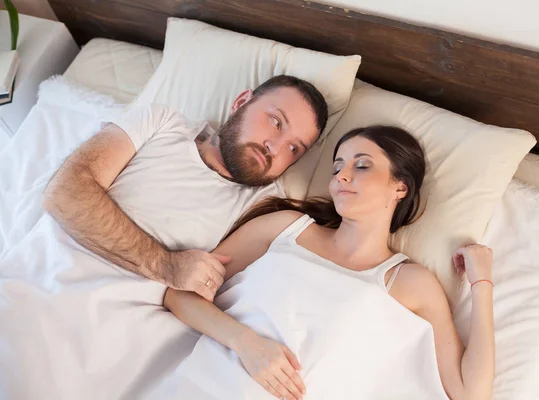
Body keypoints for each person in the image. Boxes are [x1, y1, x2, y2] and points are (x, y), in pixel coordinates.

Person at [161, 126, 495, 400]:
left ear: (400, 187)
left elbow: (468, 393)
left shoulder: (409, 283)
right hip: (200, 386)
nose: (341, 176)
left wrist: (482, 284)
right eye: (337, 167)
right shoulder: (283, 228)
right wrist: (245, 342)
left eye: (361, 166)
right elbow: (180, 295)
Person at [43, 75, 328, 302]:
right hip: (40, 281)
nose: (275, 148)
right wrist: (164, 264)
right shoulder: (162, 122)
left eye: (294, 148)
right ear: (241, 101)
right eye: (276, 122)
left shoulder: (263, 207)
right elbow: (65, 192)